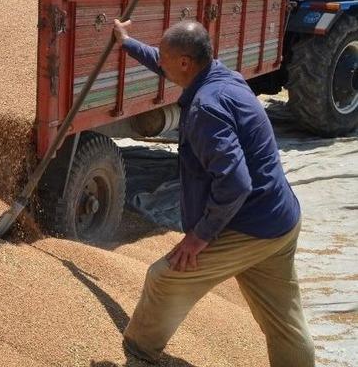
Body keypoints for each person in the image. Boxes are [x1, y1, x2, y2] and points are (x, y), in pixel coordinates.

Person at [113, 19, 314, 366]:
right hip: (281, 219)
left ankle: (139, 352)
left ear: (185, 63)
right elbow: (164, 63)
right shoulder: (222, 76)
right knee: (285, 322)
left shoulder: (206, 108)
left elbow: (236, 183)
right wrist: (127, 42)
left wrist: (200, 236)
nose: (160, 60)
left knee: (164, 278)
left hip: (250, 225)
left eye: (164, 56)